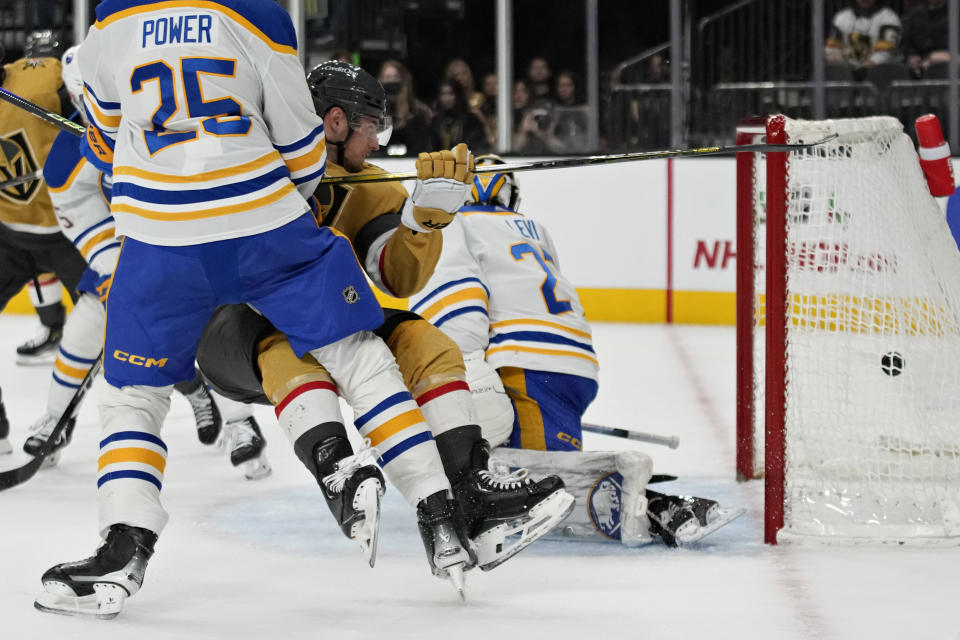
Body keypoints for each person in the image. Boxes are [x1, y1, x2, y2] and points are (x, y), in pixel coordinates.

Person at [35, 2, 474, 618]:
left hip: (160, 234)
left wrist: (147, 155)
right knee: (355, 350)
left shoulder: (110, 18)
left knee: (132, 392)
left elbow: (106, 139)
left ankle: (123, 547)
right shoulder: (260, 14)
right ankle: (438, 509)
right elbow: (301, 146)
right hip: (261, 219)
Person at [194, 60, 573, 575]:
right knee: (293, 347)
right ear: (335, 122)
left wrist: (421, 223)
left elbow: (396, 279)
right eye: (372, 128)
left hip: (329, 314)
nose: (376, 143)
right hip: (229, 327)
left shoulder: (367, 184)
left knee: (428, 344)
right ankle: (337, 471)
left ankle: (470, 498)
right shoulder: (262, 168)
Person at [408, 155, 744, 548]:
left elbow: (463, 298)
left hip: (526, 363)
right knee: (507, 467)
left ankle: (658, 505)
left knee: (538, 486)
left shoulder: (459, 224)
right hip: (572, 362)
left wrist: (459, 365)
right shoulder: (534, 229)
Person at [20, 46, 259, 476]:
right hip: (133, 254)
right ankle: (56, 419)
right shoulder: (77, 142)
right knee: (82, 329)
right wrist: (113, 266)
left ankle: (242, 424)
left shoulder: (172, 119)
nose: (87, 111)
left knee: (208, 335)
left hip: (192, 248)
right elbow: (72, 197)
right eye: (79, 105)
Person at [1, 35, 88, 377]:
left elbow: (87, 114)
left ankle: (192, 388)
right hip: (14, 227)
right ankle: (54, 329)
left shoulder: (39, 77)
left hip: (68, 220)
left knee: (115, 318)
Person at [376, 58, 433, 156]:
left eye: (395, 77)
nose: (392, 82)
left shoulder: (418, 111)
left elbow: (422, 146)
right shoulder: (373, 112)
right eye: (388, 77)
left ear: (403, 81)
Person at [825, 0, 902, 68]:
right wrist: (834, 55)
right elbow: (832, 49)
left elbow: (886, 53)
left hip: (879, 72)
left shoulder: (889, 18)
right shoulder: (841, 18)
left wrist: (866, 65)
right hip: (847, 71)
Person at [430, 80, 489, 153]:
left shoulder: (470, 120)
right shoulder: (435, 121)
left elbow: (476, 147)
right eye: (443, 94)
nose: (447, 98)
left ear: (458, 95)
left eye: (451, 93)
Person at [902, 0, 949, 78]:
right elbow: (908, 47)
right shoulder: (915, 15)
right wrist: (912, 58)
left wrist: (937, 57)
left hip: (951, 71)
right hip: (921, 71)